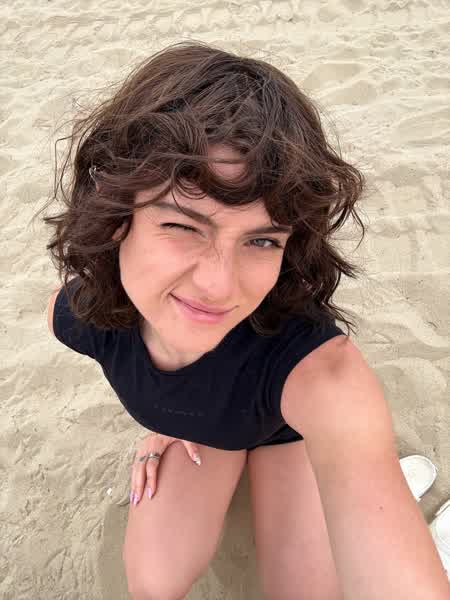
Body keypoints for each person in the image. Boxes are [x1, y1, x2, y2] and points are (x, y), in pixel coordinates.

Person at [41, 42, 449, 600]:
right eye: (183, 226)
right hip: (204, 435)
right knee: (154, 583)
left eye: (261, 240)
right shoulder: (80, 317)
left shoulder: (322, 376)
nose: (219, 285)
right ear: (116, 219)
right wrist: (163, 415)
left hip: (290, 434)